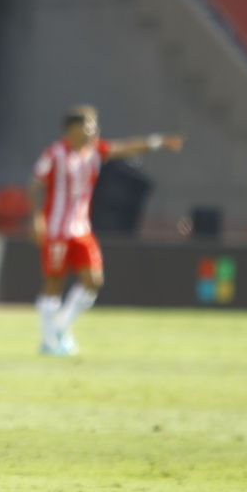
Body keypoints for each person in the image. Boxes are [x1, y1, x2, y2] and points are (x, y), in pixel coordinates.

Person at [31, 106, 183, 357]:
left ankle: (59, 328)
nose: (95, 129)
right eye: (89, 125)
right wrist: (37, 218)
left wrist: (159, 142)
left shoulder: (95, 151)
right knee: (53, 283)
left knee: (94, 280)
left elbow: (126, 148)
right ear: (73, 128)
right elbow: (36, 184)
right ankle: (49, 340)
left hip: (81, 230)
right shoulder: (54, 154)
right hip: (57, 230)